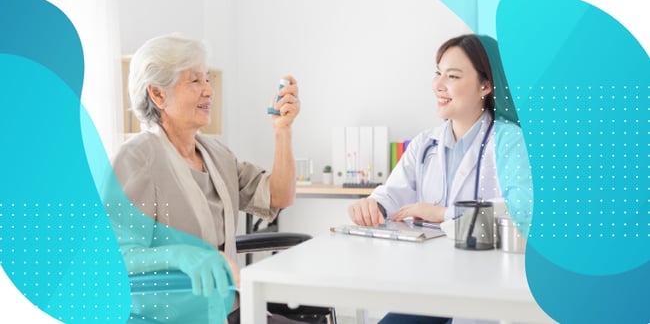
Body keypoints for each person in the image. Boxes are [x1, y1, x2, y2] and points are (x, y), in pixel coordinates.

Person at [105, 33, 304, 324]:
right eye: (195, 81)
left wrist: (282, 129)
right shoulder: (136, 160)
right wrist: (182, 255)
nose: (209, 91)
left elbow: (279, 195)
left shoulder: (216, 153)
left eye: (207, 79)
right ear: (158, 95)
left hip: (232, 309)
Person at [348, 34, 533, 324]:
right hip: (429, 287)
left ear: (486, 85)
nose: (438, 85)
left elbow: (523, 212)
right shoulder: (425, 144)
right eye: (438, 73)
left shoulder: (510, 141)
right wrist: (374, 204)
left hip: (486, 293)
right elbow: (393, 192)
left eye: (453, 76)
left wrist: (445, 214)